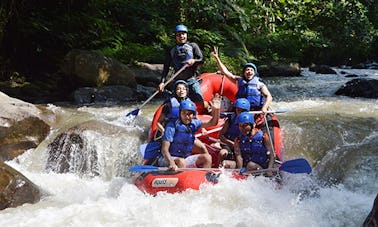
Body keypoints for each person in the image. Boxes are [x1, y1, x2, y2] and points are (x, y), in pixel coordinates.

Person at [212, 47, 273, 122]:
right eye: (247, 70)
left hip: (255, 111)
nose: (249, 72)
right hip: (240, 110)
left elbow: (269, 96)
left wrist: (264, 107)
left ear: (254, 73)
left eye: (251, 70)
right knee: (230, 119)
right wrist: (217, 58)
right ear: (244, 72)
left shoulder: (259, 83)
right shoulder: (239, 81)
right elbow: (225, 72)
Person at [158, 97, 220, 171]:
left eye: (190, 114)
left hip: (184, 158)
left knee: (207, 158)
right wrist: (172, 163)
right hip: (167, 158)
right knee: (181, 162)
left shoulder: (194, 123)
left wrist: (216, 110)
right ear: (180, 113)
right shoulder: (171, 126)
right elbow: (164, 149)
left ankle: (204, 179)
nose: (187, 116)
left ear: (193, 115)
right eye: (184, 113)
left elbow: (213, 122)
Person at [157, 24, 208, 113]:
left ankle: (206, 111)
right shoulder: (171, 50)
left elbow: (202, 60)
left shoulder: (193, 46)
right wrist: (162, 82)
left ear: (186, 35)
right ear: (176, 36)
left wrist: (194, 61)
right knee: (171, 103)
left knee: (200, 101)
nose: (181, 36)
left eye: (183, 34)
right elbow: (166, 68)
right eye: (179, 34)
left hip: (192, 80)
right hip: (178, 82)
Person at [233, 112, 275, 176]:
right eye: (240, 125)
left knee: (251, 165)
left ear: (252, 125)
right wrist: (240, 171)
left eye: (245, 125)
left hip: (262, 167)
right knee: (226, 163)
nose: (242, 128)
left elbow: (272, 155)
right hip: (246, 167)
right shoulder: (238, 139)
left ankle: (266, 177)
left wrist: (269, 169)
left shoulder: (263, 136)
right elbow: (239, 157)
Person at [218, 98, 250, 168]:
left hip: (242, 145)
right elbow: (220, 135)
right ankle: (218, 172)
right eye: (238, 110)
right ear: (235, 109)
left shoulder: (249, 122)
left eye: (243, 110)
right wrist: (231, 143)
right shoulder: (230, 120)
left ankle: (240, 170)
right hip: (229, 144)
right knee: (222, 153)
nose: (240, 112)